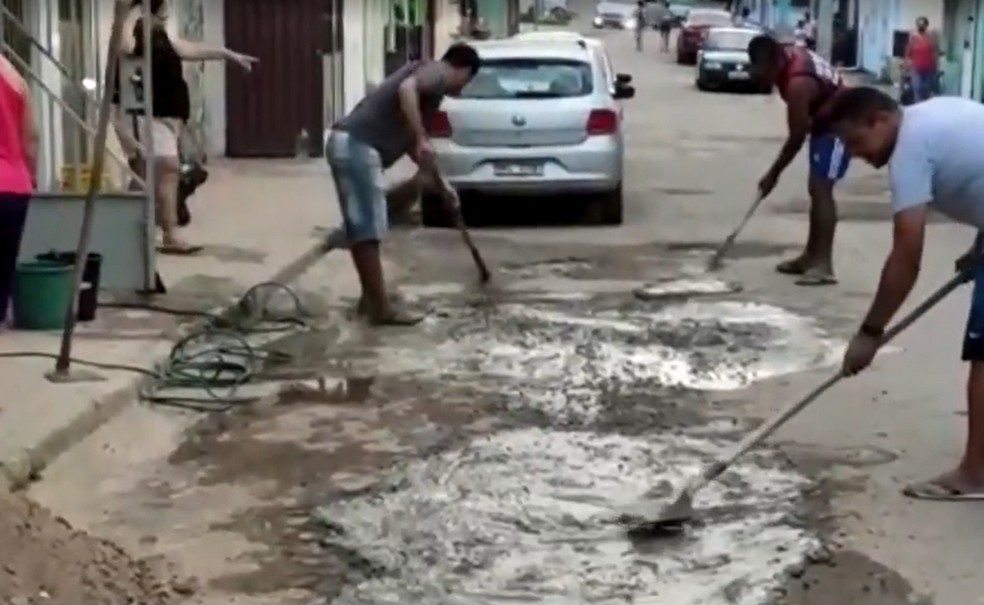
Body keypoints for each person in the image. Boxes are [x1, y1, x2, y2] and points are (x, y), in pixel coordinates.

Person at [828, 87, 984, 500]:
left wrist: (870, 332)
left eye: (855, 141)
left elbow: (907, 254)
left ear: (880, 120)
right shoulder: (931, 115)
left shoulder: (909, 151)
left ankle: (976, 474)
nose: (857, 155)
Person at [325, 43, 481, 326]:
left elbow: (410, 140)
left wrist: (441, 183)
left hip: (353, 146)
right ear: (463, 69)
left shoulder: (431, 92)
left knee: (373, 223)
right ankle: (380, 309)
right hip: (356, 146)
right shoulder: (435, 73)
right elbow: (406, 90)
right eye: (467, 81)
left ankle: (371, 300)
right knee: (367, 229)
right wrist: (422, 138)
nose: (462, 89)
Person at [112, 0, 256, 255]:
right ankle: (168, 234)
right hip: (151, 117)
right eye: (163, 11)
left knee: (149, 176)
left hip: (166, 120)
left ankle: (141, 231)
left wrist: (226, 53)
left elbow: (189, 48)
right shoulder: (137, 35)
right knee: (165, 170)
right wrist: (133, 9)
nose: (167, 15)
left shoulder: (161, 38)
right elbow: (125, 46)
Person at [748, 34, 850, 286]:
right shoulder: (789, 56)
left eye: (763, 72)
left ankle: (824, 265)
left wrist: (773, 174)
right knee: (816, 188)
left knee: (822, 189)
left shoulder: (797, 84)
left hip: (843, 125)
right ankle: (810, 257)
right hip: (824, 123)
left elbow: (796, 136)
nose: (762, 78)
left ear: (775, 63)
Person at [0, 54, 36, 328]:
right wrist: (30, 176)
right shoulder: (15, 78)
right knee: (4, 260)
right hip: (14, 185)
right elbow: (31, 140)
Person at [904, 17, 939, 103]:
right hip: (916, 68)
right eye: (919, 24)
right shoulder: (913, 38)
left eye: (923, 24)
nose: (921, 26)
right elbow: (908, 52)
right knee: (917, 89)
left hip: (929, 69)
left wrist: (936, 66)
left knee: (926, 91)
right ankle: (918, 108)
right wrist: (906, 64)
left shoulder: (931, 37)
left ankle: (924, 109)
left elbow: (935, 52)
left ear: (926, 25)